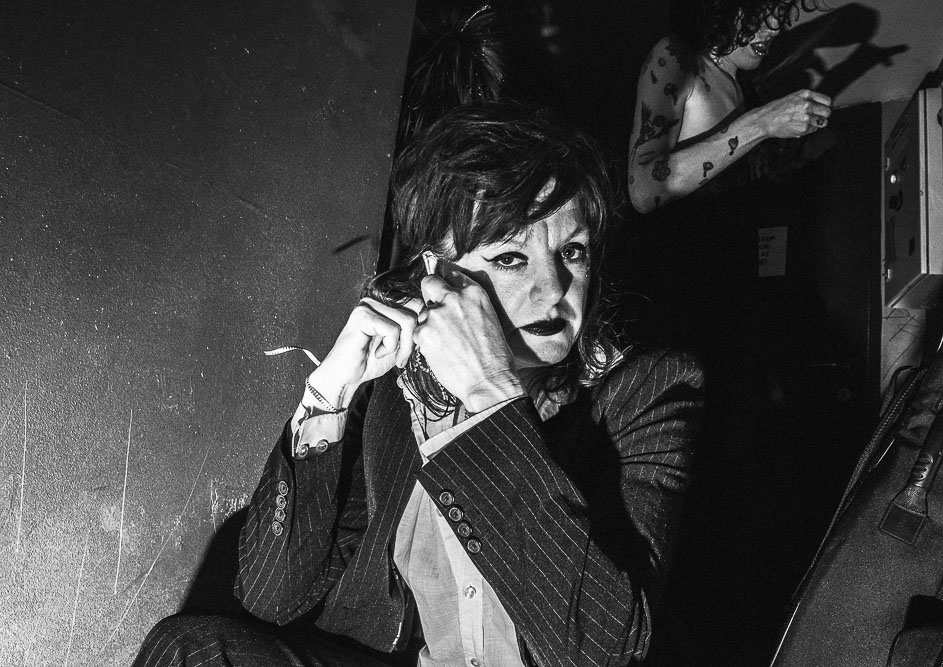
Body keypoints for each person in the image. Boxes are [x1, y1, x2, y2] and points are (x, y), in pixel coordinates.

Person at [133, 102, 704, 667]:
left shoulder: (646, 393)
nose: (553, 288)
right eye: (511, 258)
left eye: (571, 252)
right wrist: (326, 399)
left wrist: (490, 398)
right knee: (193, 652)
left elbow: (606, 647)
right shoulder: (399, 399)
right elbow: (273, 596)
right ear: (440, 274)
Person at [627, 0, 832, 212]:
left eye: (779, 10)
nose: (774, 27)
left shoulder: (746, 82)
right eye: (756, 15)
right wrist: (762, 123)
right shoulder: (676, 58)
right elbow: (642, 193)